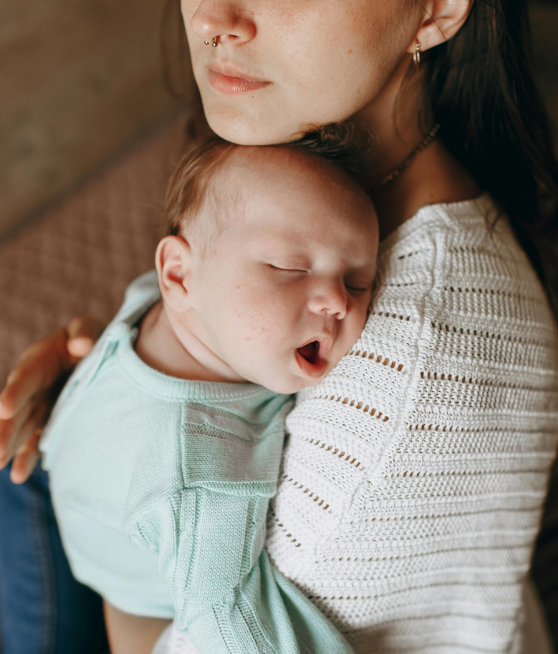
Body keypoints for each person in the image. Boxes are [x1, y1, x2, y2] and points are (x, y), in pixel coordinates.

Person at [0, 0, 558, 652]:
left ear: (438, 9)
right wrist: (114, 376)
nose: (213, 17)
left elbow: (205, 626)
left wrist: (119, 461)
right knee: (20, 465)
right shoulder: (314, 161)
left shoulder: (399, 396)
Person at [39, 137, 377, 654]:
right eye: (289, 266)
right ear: (178, 274)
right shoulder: (199, 472)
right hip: (132, 596)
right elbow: (234, 628)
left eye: (357, 281)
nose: (336, 301)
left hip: (88, 513)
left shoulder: (160, 307)